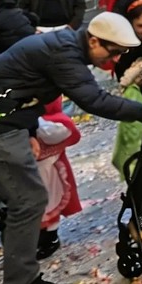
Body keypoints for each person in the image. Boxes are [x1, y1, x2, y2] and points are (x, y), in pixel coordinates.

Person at [0, 12, 142, 284]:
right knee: (29, 199)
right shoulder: (65, 53)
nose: (112, 61)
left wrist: (32, 129)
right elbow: (94, 100)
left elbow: (23, 83)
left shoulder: (62, 44)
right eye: (113, 52)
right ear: (95, 40)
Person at [33, 98, 82, 260]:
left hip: (49, 169)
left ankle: (50, 237)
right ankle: (42, 236)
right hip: (36, 170)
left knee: (50, 202)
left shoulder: (53, 124)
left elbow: (55, 132)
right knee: (40, 204)